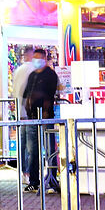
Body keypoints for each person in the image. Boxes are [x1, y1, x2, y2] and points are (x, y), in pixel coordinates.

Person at [19, 47, 62, 192]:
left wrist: (44, 109)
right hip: (32, 118)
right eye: (34, 58)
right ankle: (34, 181)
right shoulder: (32, 76)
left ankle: (52, 178)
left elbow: (50, 94)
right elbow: (26, 93)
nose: (35, 61)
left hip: (46, 117)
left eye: (38, 58)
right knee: (32, 151)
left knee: (50, 149)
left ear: (44, 59)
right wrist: (25, 108)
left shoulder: (50, 75)